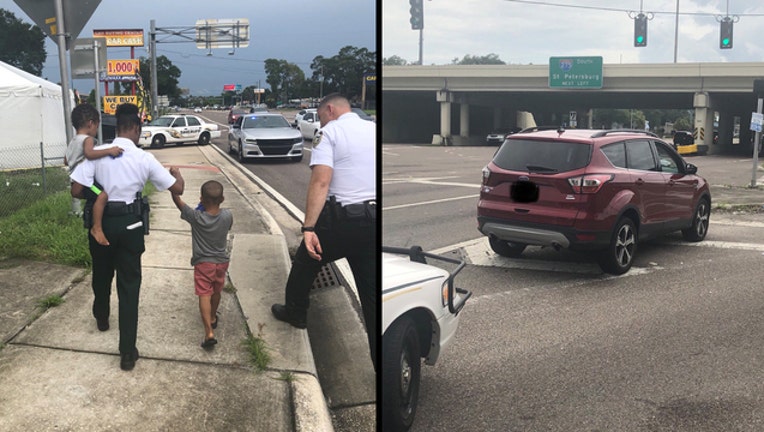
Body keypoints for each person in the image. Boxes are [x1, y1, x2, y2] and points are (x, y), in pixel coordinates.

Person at [70, 103, 184, 371]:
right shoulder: (144, 159)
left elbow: (76, 190)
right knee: (129, 286)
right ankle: (127, 351)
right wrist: (177, 175)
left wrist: (100, 194)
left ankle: (101, 316)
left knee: (101, 274)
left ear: (117, 126)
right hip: (131, 225)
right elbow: (176, 187)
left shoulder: (96, 153)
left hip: (102, 223)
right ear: (135, 128)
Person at [271, 93, 377, 369]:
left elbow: (321, 181)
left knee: (307, 259)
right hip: (374, 219)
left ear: (329, 110)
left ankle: (296, 313)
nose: (320, 121)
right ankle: (382, 367)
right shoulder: (373, 128)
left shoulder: (329, 132)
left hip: (343, 221)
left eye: (320, 116)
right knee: (371, 296)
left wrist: (308, 228)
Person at [168, 173, 233, 350]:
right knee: (216, 290)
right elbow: (226, 227)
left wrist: (176, 178)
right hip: (221, 262)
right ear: (222, 199)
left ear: (201, 198)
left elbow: (178, 201)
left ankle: (208, 332)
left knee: (204, 293)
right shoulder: (227, 215)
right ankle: (213, 317)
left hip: (204, 263)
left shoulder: (196, 217)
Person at [64, 103, 123, 245]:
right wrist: (109, 151)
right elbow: (90, 154)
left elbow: (66, 160)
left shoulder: (73, 140)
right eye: (97, 126)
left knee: (94, 198)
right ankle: (97, 228)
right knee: (102, 195)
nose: (97, 129)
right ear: (91, 123)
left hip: (74, 179)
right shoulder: (87, 139)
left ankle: (92, 222)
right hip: (84, 180)